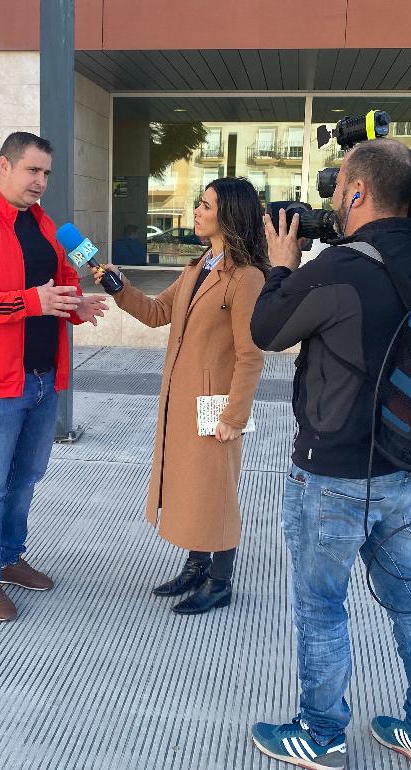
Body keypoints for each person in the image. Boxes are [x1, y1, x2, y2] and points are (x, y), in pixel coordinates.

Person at [248, 139, 411, 770]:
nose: (331, 200)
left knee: (320, 606)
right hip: (402, 467)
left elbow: (267, 330)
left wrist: (282, 263)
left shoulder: (338, 267)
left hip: (332, 473)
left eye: (338, 188)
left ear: (358, 192)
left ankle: (321, 733)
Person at [0, 131, 108, 623]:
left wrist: (76, 304)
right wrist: (30, 301)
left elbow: (67, 279)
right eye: (33, 170)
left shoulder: (47, 225)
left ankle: (10, 559)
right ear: (4, 166)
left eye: (47, 173)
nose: (40, 181)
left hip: (41, 378)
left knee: (25, 480)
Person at [95, 177, 267, 615]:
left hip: (216, 405)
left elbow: (251, 354)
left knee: (218, 490)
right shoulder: (197, 268)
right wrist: (120, 288)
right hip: (180, 398)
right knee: (191, 486)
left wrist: (235, 415)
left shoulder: (245, 278)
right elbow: (156, 314)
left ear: (227, 216)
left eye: (205, 205)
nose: (196, 210)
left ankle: (221, 580)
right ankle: (196, 565)